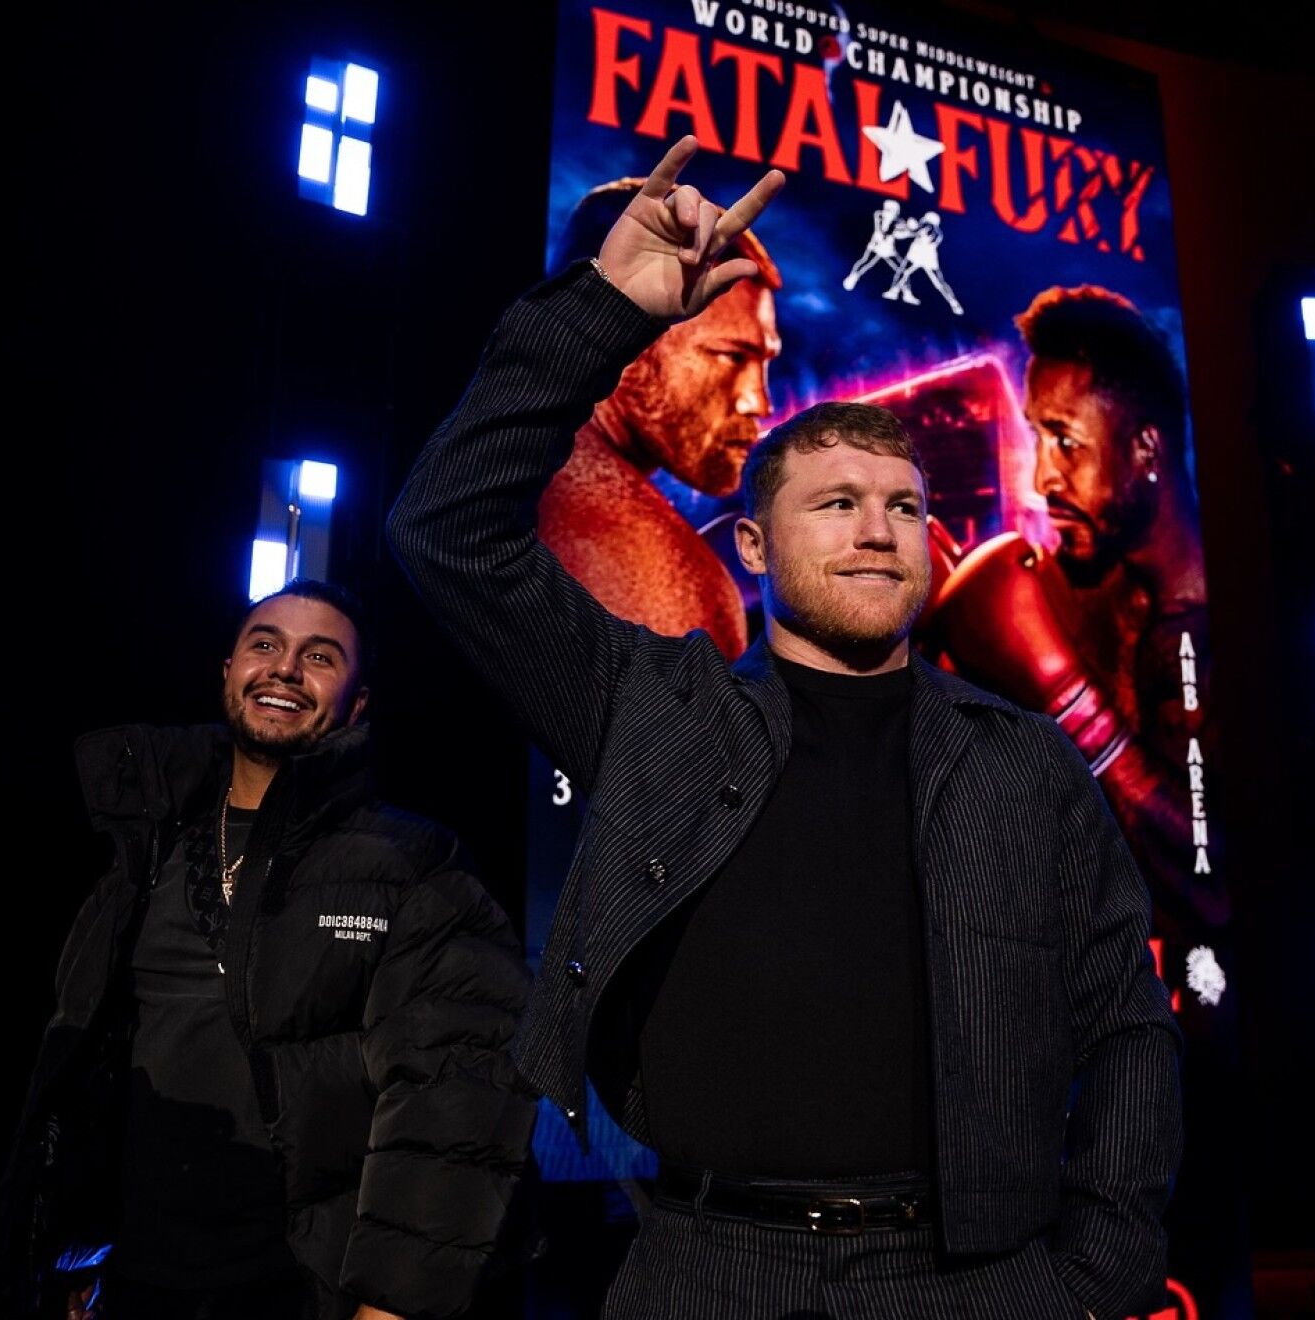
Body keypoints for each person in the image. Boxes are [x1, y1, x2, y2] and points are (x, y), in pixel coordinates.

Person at [387, 136, 1180, 1318]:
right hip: (708, 1268)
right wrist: (600, 314)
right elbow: (445, 529)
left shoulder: (1025, 766)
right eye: (837, 502)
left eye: (903, 505)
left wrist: (1095, 1273)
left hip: (972, 1277)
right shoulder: (654, 708)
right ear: (754, 547)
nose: (878, 528)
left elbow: (1125, 1028)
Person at [0, 580, 534, 1320]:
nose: (285, 668)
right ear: (229, 673)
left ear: (357, 702)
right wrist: (74, 1250)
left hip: (301, 1287)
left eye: (319, 656)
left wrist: (391, 1303)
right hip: (140, 1282)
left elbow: (458, 1093)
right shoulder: (144, 850)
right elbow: (91, 1068)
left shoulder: (416, 864)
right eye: (265, 645)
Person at [926, 284, 1224, 931]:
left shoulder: (1239, 628)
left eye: (1064, 441)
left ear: (1145, 449)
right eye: (1038, 437)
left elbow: (1221, 890)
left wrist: (1067, 697)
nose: (1041, 479)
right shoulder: (1063, 588)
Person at [539, 177, 783, 659]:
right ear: (623, 330)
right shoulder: (663, 576)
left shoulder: (517, 477)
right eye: (732, 357)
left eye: (766, 362)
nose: (759, 401)